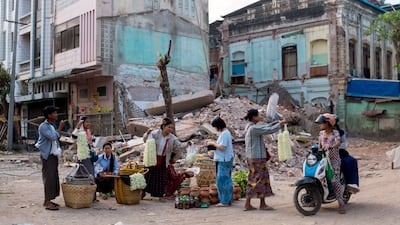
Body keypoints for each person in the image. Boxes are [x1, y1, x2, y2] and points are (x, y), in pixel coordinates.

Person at [243, 109, 284, 211]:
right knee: (261, 179)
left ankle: (248, 203)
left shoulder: (249, 127)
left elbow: (263, 127)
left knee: (253, 179)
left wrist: (273, 123)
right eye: (258, 116)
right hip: (257, 158)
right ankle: (262, 204)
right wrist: (280, 125)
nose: (260, 117)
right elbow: (267, 130)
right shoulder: (253, 129)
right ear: (253, 117)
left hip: (251, 158)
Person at [143, 118, 188, 201]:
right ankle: (142, 194)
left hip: (163, 159)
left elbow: (179, 146)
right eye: (169, 127)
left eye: (172, 128)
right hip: (152, 158)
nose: (170, 129)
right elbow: (145, 140)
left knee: (161, 178)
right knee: (148, 176)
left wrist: (188, 144)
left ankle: (160, 196)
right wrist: (146, 134)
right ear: (163, 126)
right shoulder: (155, 134)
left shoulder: (172, 138)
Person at [36, 106, 66, 210]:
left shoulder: (51, 126)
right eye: (54, 113)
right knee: (49, 178)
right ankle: (47, 201)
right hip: (47, 156)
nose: (56, 115)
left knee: (53, 177)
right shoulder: (43, 126)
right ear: (49, 115)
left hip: (53, 155)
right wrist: (60, 128)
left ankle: (49, 199)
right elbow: (53, 137)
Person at [315, 113, 346, 214]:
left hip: (334, 161)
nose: (320, 125)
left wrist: (332, 146)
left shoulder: (335, 133)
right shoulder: (320, 134)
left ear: (328, 123)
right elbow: (319, 146)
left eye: (322, 123)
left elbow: (338, 142)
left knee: (335, 181)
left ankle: (341, 204)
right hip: (323, 160)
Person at [206, 117, 234, 207]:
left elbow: (223, 147)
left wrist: (213, 143)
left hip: (224, 159)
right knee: (224, 179)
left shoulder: (225, 134)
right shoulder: (224, 133)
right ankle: (226, 199)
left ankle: (225, 201)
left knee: (222, 180)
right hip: (224, 159)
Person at [334, 121, 360, 194]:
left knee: (351, 161)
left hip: (338, 153)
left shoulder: (339, 133)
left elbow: (342, 144)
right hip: (327, 154)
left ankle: (351, 183)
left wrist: (335, 148)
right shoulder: (323, 133)